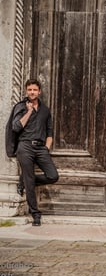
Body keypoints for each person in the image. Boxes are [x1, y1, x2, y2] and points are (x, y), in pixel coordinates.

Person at [12, 79, 59, 226]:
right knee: (30, 180)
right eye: (29, 90)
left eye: (34, 90)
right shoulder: (20, 107)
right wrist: (29, 111)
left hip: (40, 148)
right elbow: (16, 127)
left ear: (39, 91)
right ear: (27, 91)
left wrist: (46, 147)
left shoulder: (45, 110)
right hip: (25, 147)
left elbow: (50, 132)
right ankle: (35, 214)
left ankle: (24, 180)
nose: (32, 92)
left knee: (53, 176)